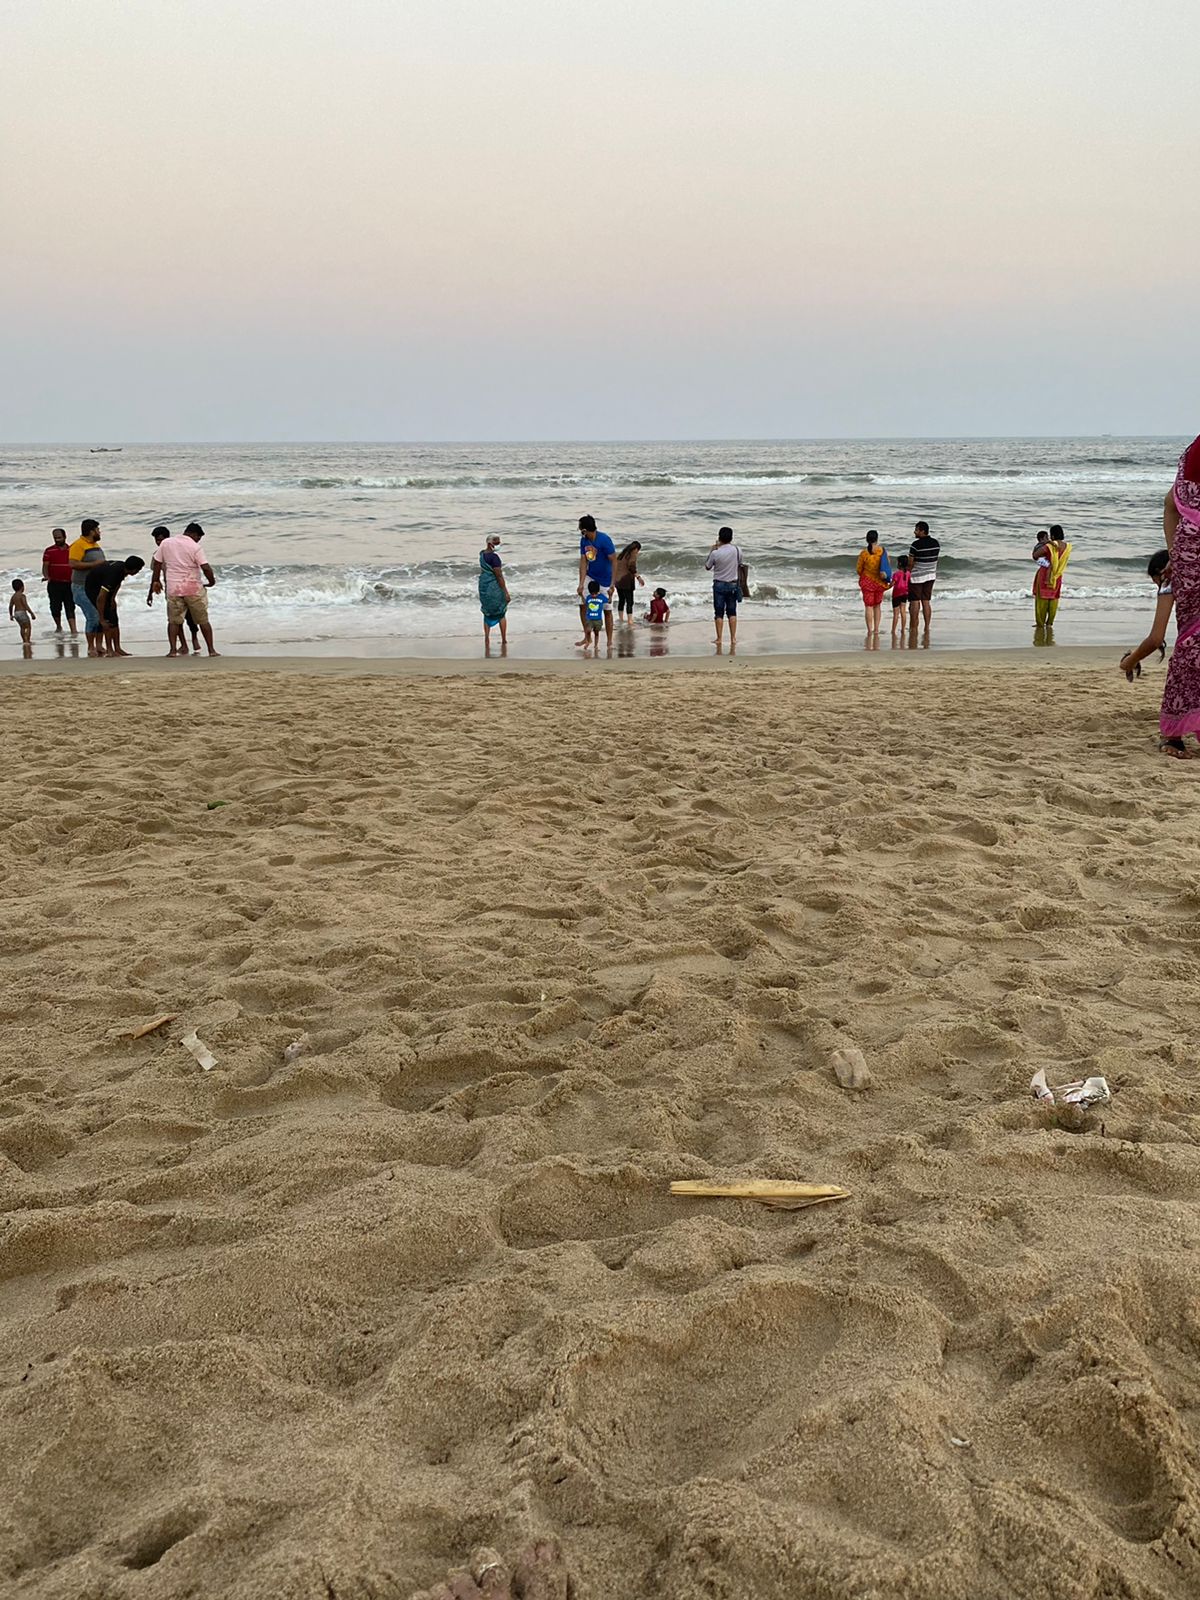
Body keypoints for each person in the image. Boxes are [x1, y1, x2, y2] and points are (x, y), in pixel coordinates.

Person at [1156, 436, 1200, 757]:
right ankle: (1173, 734)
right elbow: (1171, 504)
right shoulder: (1196, 456)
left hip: (1187, 558)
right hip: (1191, 563)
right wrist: (1175, 553)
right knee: (1190, 644)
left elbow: (1170, 507)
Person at [150, 522, 218, 656]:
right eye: (198, 537)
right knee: (203, 620)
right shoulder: (195, 547)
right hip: (193, 588)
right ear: (194, 534)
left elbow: (157, 564)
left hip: (173, 589)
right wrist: (211, 582)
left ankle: (172, 651)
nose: (198, 540)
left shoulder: (166, 543)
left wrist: (156, 581)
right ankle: (211, 650)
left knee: (173, 621)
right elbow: (205, 567)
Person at [1119, 551, 1172, 682]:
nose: (1158, 587)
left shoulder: (1167, 584)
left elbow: (1156, 639)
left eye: (1156, 583)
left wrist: (1130, 661)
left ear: (1161, 572)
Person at [147, 528, 201, 653]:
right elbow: (155, 575)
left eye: (161, 540)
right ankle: (183, 644)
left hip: (187, 585)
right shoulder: (157, 554)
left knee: (191, 616)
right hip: (171, 589)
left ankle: (194, 637)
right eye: (157, 540)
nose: (159, 542)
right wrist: (150, 593)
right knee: (176, 619)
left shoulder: (177, 550)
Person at [85, 556, 145, 657]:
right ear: (134, 570)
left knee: (114, 618)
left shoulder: (122, 569)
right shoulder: (113, 574)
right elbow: (100, 598)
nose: (138, 572)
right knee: (107, 621)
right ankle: (110, 650)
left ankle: (117, 648)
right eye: (138, 570)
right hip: (93, 588)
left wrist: (113, 598)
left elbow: (118, 583)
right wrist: (101, 619)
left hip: (103, 586)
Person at [576, 515, 615, 647]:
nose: (580, 532)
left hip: (605, 579)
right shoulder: (584, 541)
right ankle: (587, 638)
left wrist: (612, 584)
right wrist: (581, 583)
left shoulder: (604, 540)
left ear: (585, 530)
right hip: (590, 576)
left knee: (607, 610)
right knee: (583, 605)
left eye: (580, 529)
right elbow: (583, 561)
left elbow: (614, 561)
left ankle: (609, 641)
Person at [69, 519, 106, 656]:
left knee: (101, 616)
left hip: (96, 587)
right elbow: (73, 564)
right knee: (93, 616)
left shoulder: (95, 545)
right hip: (81, 587)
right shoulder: (78, 545)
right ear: (91, 531)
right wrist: (94, 564)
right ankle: (91, 647)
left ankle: (99, 645)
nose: (99, 532)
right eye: (97, 529)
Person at [705, 525, 744, 651]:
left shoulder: (715, 553)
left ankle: (719, 638)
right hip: (733, 584)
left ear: (719, 537)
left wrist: (712, 549)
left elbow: (707, 566)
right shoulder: (737, 550)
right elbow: (740, 563)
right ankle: (733, 638)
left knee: (719, 613)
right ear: (731, 538)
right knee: (732, 612)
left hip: (719, 584)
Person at [1032, 525, 1072, 631]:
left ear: (1052, 535)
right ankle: (1049, 623)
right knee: (1053, 598)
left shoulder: (1049, 546)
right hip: (1057, 575)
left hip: (1045, 574)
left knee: (1042, 600)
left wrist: (1043, 560)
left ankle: (1040, 623)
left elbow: (1035, 556)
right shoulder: (1067, 547)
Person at [855, 529, 890, 641]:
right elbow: (887, 565)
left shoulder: (864, 553)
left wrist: (866, 575)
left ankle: (870, 630)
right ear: (877, 539)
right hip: (880, 583)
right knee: (877, 606)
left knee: (868, 606)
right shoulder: (882, 551)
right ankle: (876, 629)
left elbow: (859, 569)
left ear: (867, 540)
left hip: (867, 582)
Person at [41, 528, 77, 635]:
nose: (57, 540)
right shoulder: (49, 551)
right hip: (54, 583)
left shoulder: (72, 550)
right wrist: (46, 576)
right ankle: (58, 626)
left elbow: (77, 565)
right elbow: (45, 566)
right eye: (55, 538)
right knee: (55, 608)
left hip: (69, 583)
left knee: (70, 606)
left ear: (65, 537)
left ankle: (73, 630)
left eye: (59, 537)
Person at [907, 520, 940, 636]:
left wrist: (907, 573)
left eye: (916, 530)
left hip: (917, 577)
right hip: (931, 575)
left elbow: (911, 563)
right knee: (926, 601)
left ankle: (913, 627)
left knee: (915, 601)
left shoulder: (915, 545)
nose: (914, 532)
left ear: (922, 531)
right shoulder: (936, 543)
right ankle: (926, 627)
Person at [478, 534, 510, 650]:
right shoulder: (494, 558)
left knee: (487, 612)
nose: (498, 544)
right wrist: (505, 592)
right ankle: (504, 639)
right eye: (496, 542)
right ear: (489, 543)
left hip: (483, 586)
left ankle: (487, 638)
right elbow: (499, 576)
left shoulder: (482, 554)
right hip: (494, 587)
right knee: (501, 612)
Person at [613, 541, 645, 622]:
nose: (637, 552)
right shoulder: (632, 554)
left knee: (621, 600)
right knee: (630, 601)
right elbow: (631, 567)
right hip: (626, 581)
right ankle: (630, 621)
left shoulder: (622, 554)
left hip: (618, 581)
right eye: (638, 550)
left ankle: (621, 619)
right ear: (636, 549)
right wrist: (638, 577)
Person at [889, 555, 911, 642]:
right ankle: (903, 629)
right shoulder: (908, 573)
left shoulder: (896, 574)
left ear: (900, 563)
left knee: (896, 614)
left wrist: (885, 586)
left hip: (896, 595)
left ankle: (893, 630)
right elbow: (909, 584)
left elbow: (892, 584)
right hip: (905, 594)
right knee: (903, 611)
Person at [581, 580, 606, 652]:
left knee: (596, 633)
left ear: (598, 591)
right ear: (590, 592)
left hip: (598, 619)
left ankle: (596, 645)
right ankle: (588, 641)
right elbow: (584, 602)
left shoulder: (601, 597)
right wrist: (581, 595)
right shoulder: (589, 597)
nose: (594, 595)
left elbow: (609, 601)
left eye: (595, 593)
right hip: (589, 619)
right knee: (588, 630)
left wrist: (610, 595)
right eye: (592, 594)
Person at [9, 579, 36, 646]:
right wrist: (31, 613)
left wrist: (11, 615)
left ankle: (24, 640)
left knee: (22, 627)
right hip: (22, 613)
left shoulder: (13, 596)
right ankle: (27, 640)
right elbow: (25, 605)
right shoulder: (22, 596)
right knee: (28, 627)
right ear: (22, 587)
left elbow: (10, 606)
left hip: (16, 614)